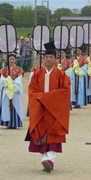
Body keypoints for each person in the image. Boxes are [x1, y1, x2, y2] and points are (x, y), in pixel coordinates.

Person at [25, 41, 71, 173]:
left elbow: (65, 92)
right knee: (41, 132)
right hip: (40, 108)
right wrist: (42, 99)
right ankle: (46, 158)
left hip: (54, 110)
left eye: (51, 57)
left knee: (53, 132)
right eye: (46, 57)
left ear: (56, 59)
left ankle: (49, 159)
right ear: (43, 59)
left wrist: (47, 98)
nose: (48, 59)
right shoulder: (37, 75)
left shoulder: (62, 75)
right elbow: (32, 91)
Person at [0, 53, 24, 129]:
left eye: (13, 59)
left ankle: (15, 122)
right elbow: (2, 79)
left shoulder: (18, 69)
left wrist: (14, 84)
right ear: (8, 60)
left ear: (15, 60)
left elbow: (19, 79)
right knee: (6, 105)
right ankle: (7, 122)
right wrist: (7, 82)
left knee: (15, 104)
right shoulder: (4, 69)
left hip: (15, 88)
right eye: (10, 59)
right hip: (7, 88)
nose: (12, 60)